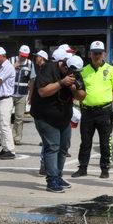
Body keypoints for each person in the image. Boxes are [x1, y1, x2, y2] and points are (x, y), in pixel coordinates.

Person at [31, 51, 86, 193]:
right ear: (64, 65)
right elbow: (43, 91)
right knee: (52, 146)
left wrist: (75, 89)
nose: (71, 74)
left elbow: (82, 96)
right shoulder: (49, 69)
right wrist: (61, 83)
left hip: (64, 117)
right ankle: (51, 180)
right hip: (45, 116)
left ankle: (58, 175)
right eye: (68, 71)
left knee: (63, 147)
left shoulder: (75, 72)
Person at [72, 41, 113, 179]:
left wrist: (107, 104)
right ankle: (82, 168)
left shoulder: (111, 70)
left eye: (99, 53)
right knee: (85, 141)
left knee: (105, 142)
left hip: (104, 111)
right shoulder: (84, 70)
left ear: (104, 53)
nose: (97, 55)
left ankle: (104, 169)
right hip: (87, 111)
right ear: (90, 54)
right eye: (94, 53)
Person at [0, 47, 16, 159]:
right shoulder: (0, 67)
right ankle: (5, 148)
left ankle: (10, 150)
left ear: (3, 56)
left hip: (4, 100)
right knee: (1, 126)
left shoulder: (7, 67)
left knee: (5, 126)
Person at [9, 45, 36, 145]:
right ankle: (5, 138)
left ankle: (17, 138)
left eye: (25, 55)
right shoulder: (11, 60)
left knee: (19, 118)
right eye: (21, 55)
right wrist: (13, 67)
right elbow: (4, 72)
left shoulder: (30, 64)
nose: (23, 57)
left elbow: (32, 80)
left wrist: (30, 95)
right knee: (6, 117)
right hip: (10, 94)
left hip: (22, 94)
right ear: (18, 53)